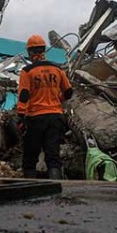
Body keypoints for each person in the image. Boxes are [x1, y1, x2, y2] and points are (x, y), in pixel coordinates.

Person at [17, 35, 73, 180]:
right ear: (43, 50)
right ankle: (56, 188)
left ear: (30, 52)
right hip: (55, 117)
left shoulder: (28, 71)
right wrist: (56, 98)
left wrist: (20, 116)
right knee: (53, 155)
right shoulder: (57, 69)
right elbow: (69, 92)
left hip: (35, 117)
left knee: (30, 157)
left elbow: (24, 95)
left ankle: (29, 188)